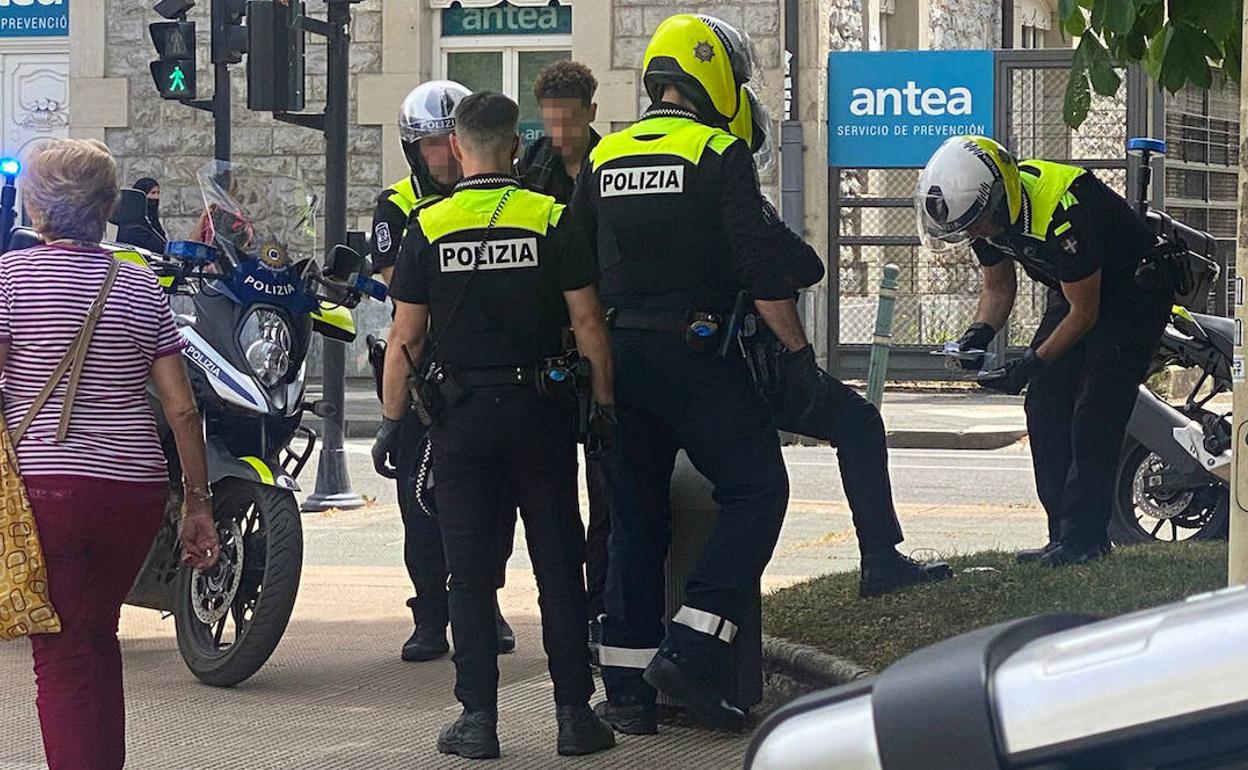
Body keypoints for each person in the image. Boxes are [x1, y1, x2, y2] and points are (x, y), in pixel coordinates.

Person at [572, 14, 812, 734]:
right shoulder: (719, 151)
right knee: (758, 488)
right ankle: (694, 646)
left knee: (634, 523)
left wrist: (594, 376)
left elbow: (576, 273)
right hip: (697, 356)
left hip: (616, 359)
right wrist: (796, 358)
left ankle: (626, 692)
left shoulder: (604, 157)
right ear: (713, 79)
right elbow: (763, 270)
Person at [377, 92, 618, 759]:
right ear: (516, 145)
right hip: (541, 416)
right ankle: (575, 716)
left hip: (461, 424)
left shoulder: (427, 225)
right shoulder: (551, 217)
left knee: (470, 576)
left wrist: (394, 423)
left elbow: (406, 339)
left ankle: (477, 721)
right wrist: (602, 406)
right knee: (558, 567)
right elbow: (589, 322)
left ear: (457, 148)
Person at [1, 138, 218, 770]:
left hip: (45, 490)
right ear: (104, 208)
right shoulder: (139, 283)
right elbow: (181, 408)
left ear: (35, 207)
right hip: (134, 492)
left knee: (62, 653)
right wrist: (196, 504)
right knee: (96, 636)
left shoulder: (12, 279)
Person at [728, 85, 953, 596]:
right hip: (748, 363)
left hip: (660, 363)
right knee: (857, 424)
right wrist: (801, 359)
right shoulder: (735, 191)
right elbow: (805, 265)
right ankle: (880, 559)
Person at [917, 135, 1172, 567]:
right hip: (1074, 288)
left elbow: (1085, 314)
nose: (975, 234)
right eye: (967, 229)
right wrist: (977, 335)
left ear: (1000, 197)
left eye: (977, 224)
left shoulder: (1063, 211)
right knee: (1044, 403)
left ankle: (1086, 540)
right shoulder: (978, 213)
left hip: (1132, 291)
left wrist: (1031, 363)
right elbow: (998, 286)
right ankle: (1061, 536)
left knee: (1095, 409)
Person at [369, 81, 517, 663]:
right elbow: (394, 288)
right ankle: (430, 613)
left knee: (494, 500)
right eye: (432, 144)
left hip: (484, 367)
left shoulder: (502, 196)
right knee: (419, 502)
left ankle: (485, 603)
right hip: (419, 371)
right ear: (415, 149)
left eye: (449, 140)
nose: (445, 153)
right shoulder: (399, 205)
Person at [517, 59, 611, 656]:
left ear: (590, 115)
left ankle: (601, 608)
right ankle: (565, 612)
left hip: (599, 328)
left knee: (607, 489)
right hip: (548, 340)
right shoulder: (531, 169)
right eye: (549, 122)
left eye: (569, 122)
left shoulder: (610, 166)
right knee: (551, 494)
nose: (559, 135)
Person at [115, 177, 167, 254]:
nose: (156, 197)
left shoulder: (152, 222)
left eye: (158, 193)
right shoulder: (131, 223)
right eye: (152, 193)